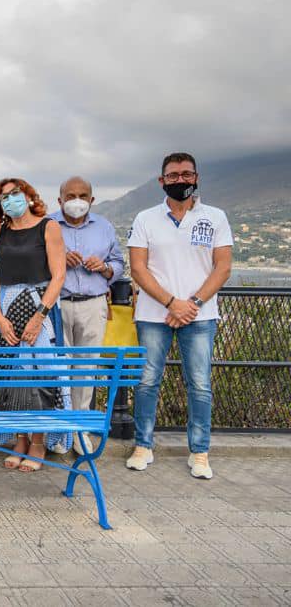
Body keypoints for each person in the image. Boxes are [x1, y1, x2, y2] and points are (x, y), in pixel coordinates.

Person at [126, 152, 232, 479]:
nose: (180, 180)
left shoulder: (215, 217)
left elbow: (223, 267)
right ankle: (143, 446)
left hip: (200, 316)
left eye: (186, 174)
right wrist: (172, 303)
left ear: (196, 177)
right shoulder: (146, 218)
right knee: (146, 382)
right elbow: (138, 268)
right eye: (173, 176)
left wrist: (193, 304)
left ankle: (199, 453)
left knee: (199, 385)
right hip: (153, 314)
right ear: (162, 181)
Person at [0, 177, 67, 472]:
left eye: (15, 193)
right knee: (13, 376)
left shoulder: (49, 227)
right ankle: (19, 438)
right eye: (4, 196)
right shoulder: (1, 232)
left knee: (41, 374)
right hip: (7, 308)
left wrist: (39, 316)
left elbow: (58, 276)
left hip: (39, 307)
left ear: (29, 196)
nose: (10, 200)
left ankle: (38, 441)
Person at [50, 176, 125, 454]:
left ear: (92, 200)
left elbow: (118, 263)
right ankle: (60, 431)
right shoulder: (48, 225)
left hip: (93, 304)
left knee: (86, 368)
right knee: (58, 369)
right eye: (70, 196)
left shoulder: (104, 227)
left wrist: (105, 268)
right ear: (60, 200)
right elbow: (36, 262)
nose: (76, 201)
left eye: (82, 195)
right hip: (58, 304)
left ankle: (79, 429)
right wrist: (59, 260)